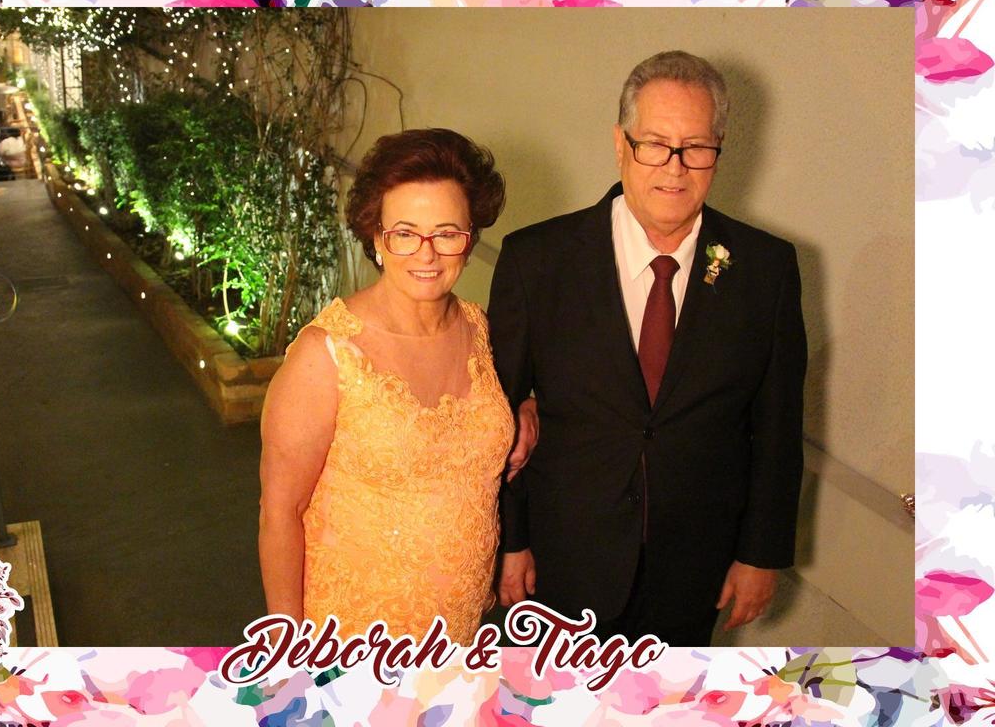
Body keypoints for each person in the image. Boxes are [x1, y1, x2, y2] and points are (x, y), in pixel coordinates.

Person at [489, 50, 807, 646]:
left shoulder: (766, 269)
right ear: (621, 144)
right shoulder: (537, 260)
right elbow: (499, 416)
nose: (675, 168)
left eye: (696, 147)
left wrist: (761, 554)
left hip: (693, 571)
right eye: (655, 145)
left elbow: (777, 427)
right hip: (562, 563)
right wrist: (511, 539)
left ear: (719, 151)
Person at [259, 128, 535, 643]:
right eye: (405, 233)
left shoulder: (480, 330)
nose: (426, 254)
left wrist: (526, 411)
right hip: (348, 637)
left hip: (460, 629)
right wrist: (286, 649)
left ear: (470, 238)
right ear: (376, 238)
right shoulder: (327, 354)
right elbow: (280, 513)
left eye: (446, 233)